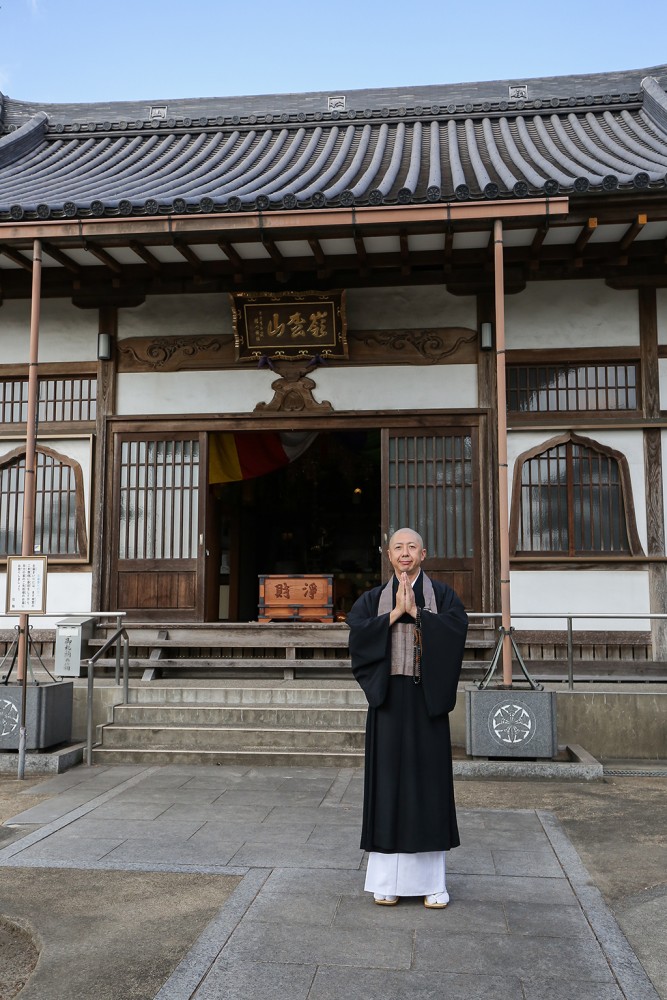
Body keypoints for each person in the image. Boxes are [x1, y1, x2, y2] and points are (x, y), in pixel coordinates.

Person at [346, 527, 468, 908]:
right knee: (387, 785)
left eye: (411, 547)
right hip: (387, 699)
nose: (404, 553)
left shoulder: (443, 596)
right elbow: (357, 635)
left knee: (428, 786)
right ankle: (387, 880)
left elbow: (457, 630)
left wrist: (419, 615)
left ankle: (433, 883)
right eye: (398, 547)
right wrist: (394, 614)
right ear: (388, 553)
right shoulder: (371, 599)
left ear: (423, 553)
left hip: (425, 699)